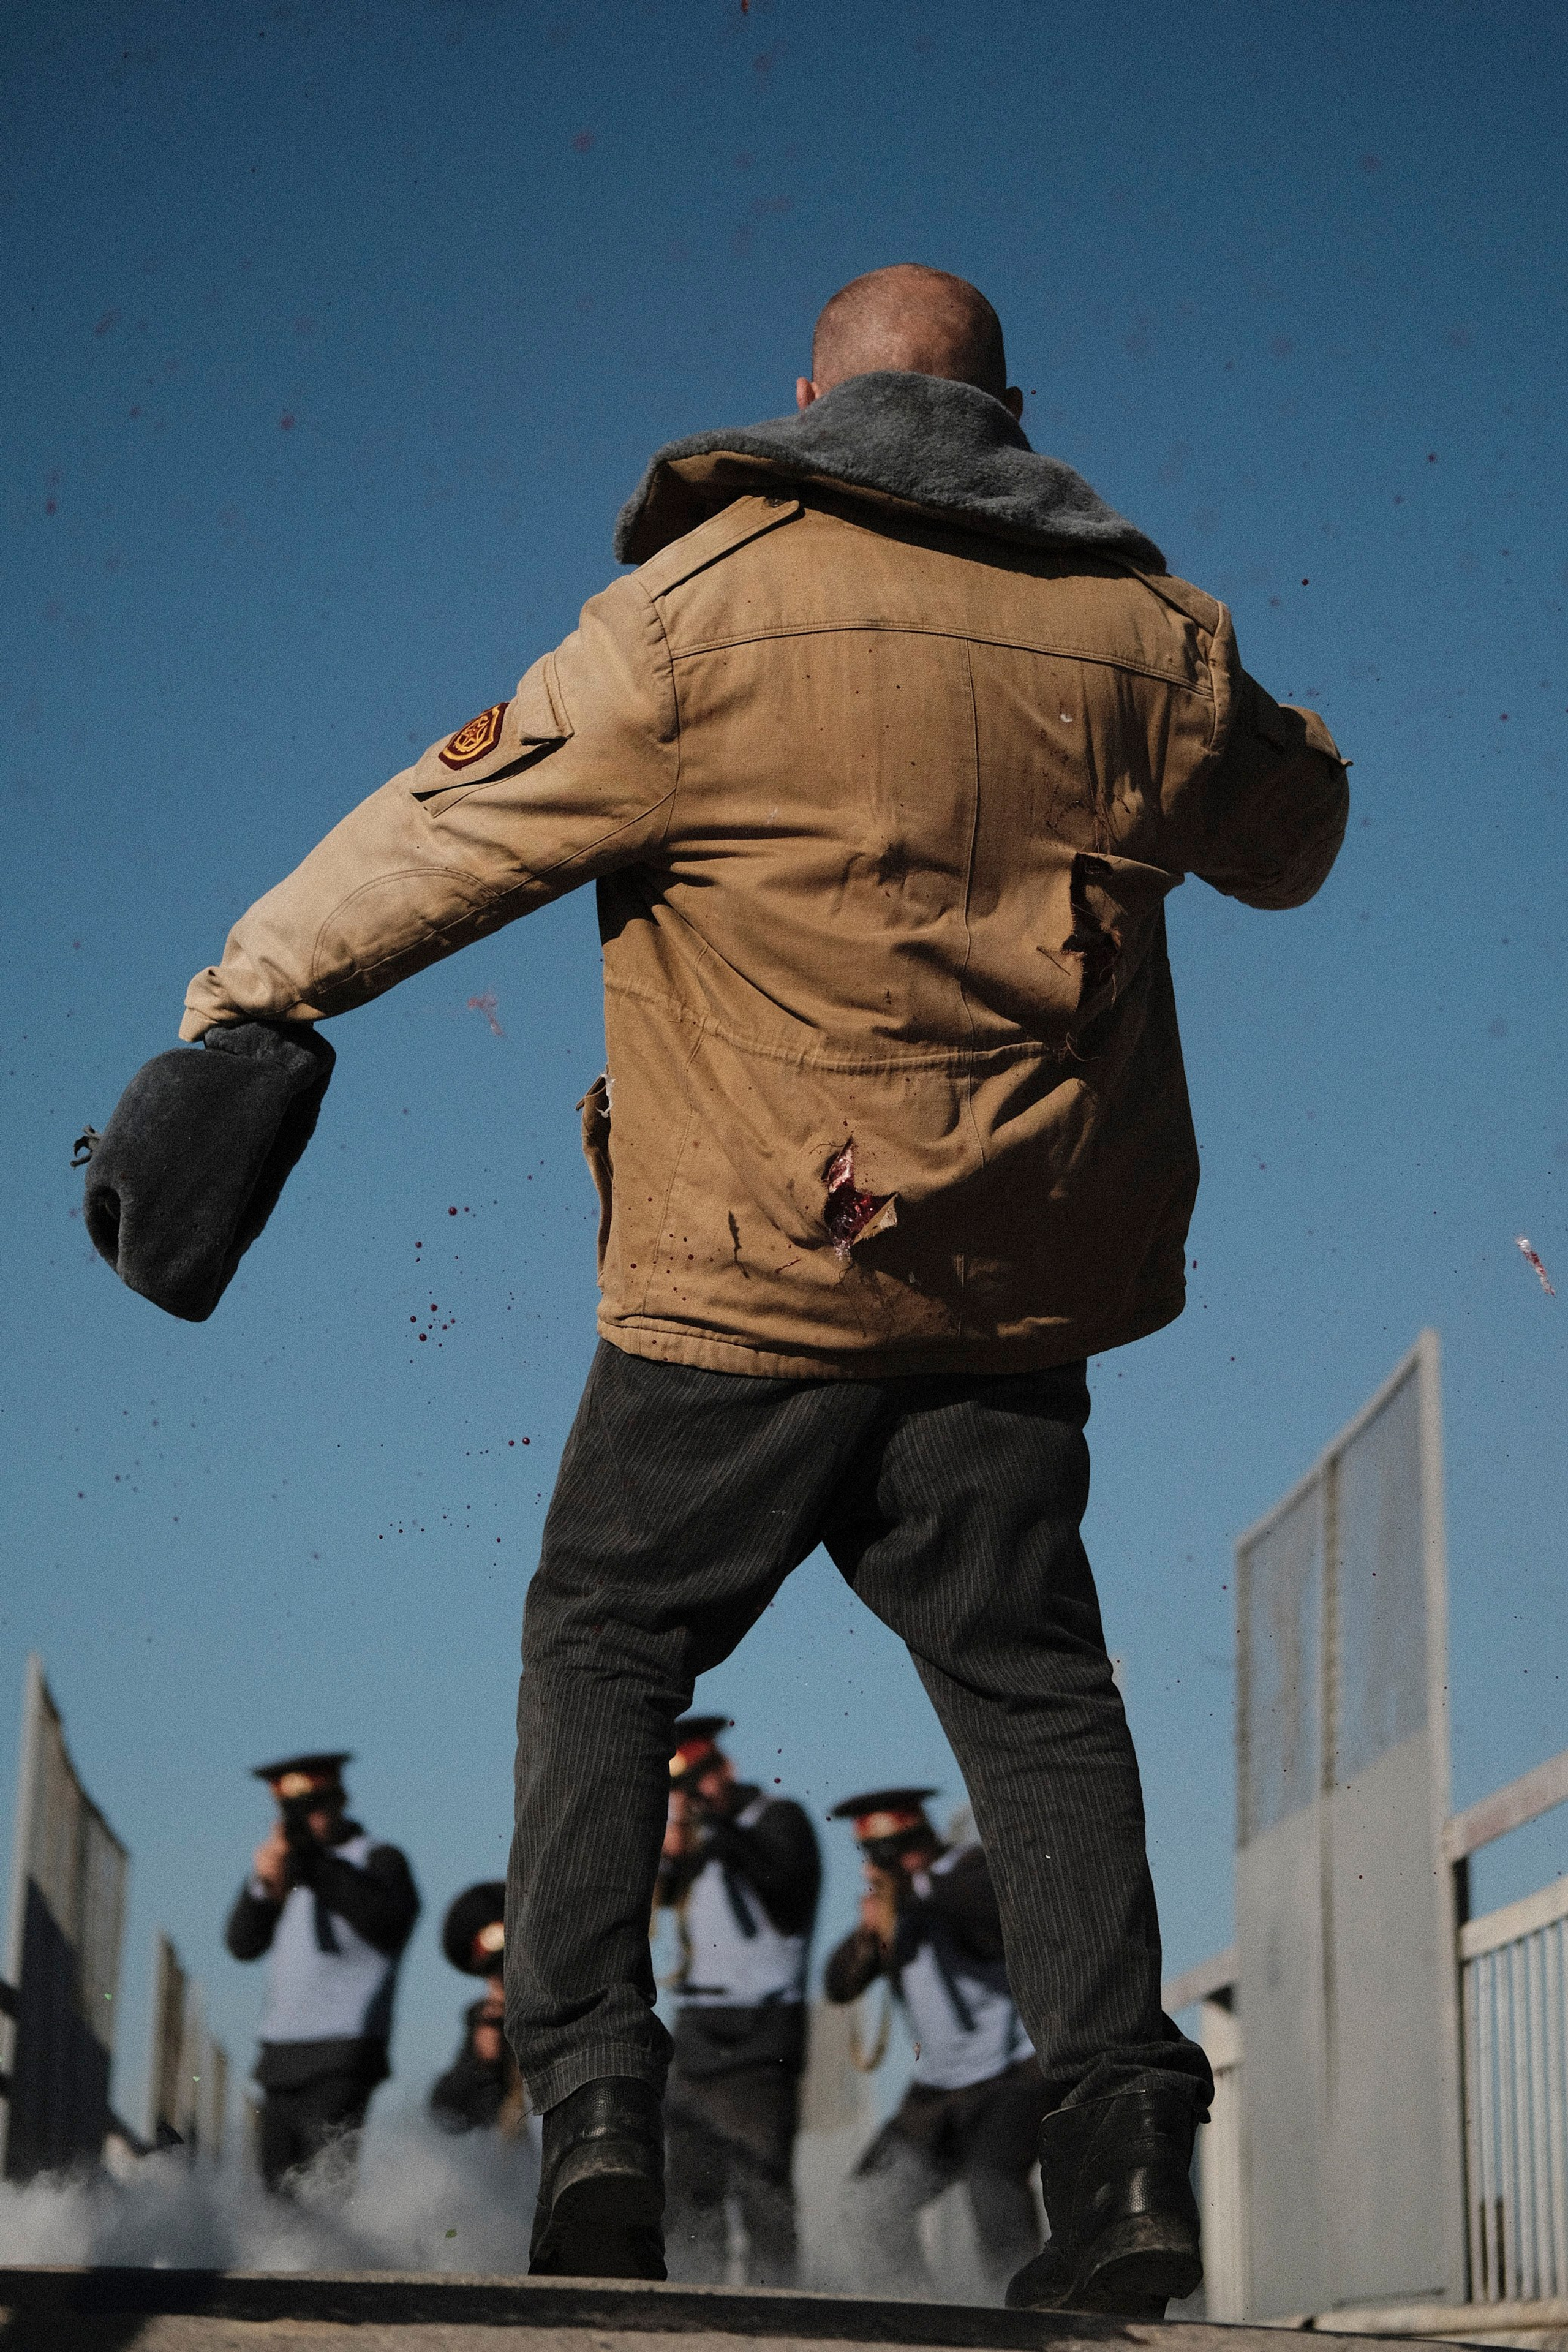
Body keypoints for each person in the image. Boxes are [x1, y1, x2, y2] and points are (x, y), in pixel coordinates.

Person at [162, 263, 1348, 2301]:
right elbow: (1297, 833)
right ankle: (1127, 2151)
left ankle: (600, 2111)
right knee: (1038, 1691)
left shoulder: (699, 613)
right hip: (1003, 1296)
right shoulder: (1150, 641)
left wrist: (243, 1006)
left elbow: (446, 825)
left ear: (807, 402)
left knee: (608, 1634)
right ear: (1008, 411)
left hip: (741, 1283)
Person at [823, 1790, 1049, 2296]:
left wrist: (914, 1891)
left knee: (993, 2184)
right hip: (938, 2091)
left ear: (918, 1842)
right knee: (871, 2199)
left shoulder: (971, 1872)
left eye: (892, 1853)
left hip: (1009, 2074)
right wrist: (869, 1934)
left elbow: (986, 1918)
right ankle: (912, 2309)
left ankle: (1026, 2315)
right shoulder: (895, 1909)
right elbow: (839, 1985)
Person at [655, 1716, 820, 2285]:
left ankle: (778, 2312)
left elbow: (786, 1892)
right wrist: (670, 1853)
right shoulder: (699, 1846)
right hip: (699, 2028)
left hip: (763, 2026)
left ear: (725, 1770)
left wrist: (718, 1826)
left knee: (761, 2184)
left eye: (699, 1779)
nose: (693, 1794)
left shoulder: (778, 1819)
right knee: (690, 2189)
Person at [225, 1752, 420, 2193]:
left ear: (339, 1801)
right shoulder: (287, 1868)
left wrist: (313, 1863)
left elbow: (387, 1921)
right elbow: (242, 1944)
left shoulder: (376, 1859)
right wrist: (263, 1887)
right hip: (280, 2058)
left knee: (326, 2189)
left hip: (345, 2052)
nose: (306, 1823)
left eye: (314, 1809)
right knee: (275, 2195)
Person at [430, 1881, 526, 2134]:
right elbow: (448, 2115)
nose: (507, 1979)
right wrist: (484, 2065)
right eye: (497, 1972)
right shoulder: (486, 2022)